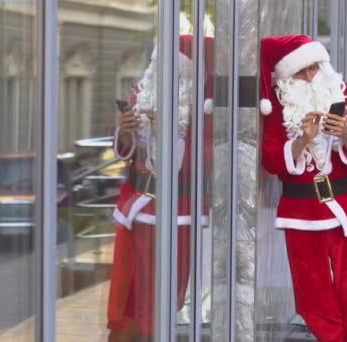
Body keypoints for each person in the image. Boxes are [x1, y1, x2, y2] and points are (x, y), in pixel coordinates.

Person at [259, 34, 347, 342]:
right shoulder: (276, 107)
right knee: (312, 296)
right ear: (287, 77)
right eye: (301, 72)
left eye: (314, 68)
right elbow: (271, 159)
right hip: (301, 213)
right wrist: (302, 139)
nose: (311, 77)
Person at [107, 34, 214, 341]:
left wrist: (165, 133)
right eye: (159, 64)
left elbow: (203, 160)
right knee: (126, 294)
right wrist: (125, 134)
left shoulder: (200, 109)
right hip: (134, 208)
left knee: (164, 294)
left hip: (176, 210)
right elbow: (127, 153)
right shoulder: (140, 95)